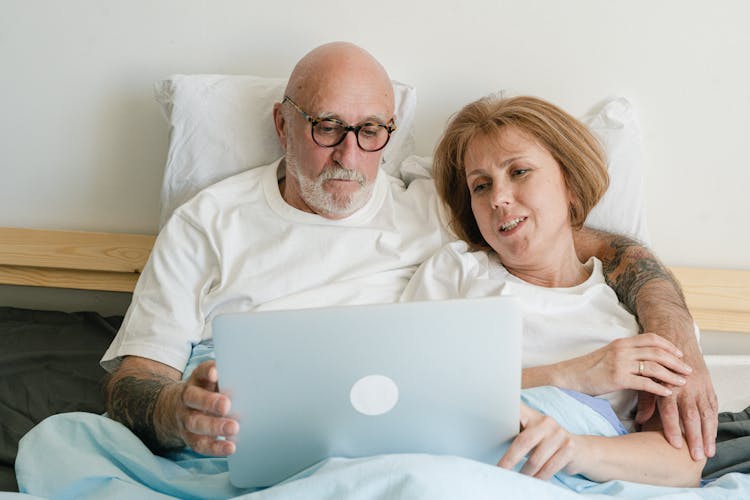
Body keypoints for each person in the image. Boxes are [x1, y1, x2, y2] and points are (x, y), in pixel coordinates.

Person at [100, 42, 715, 465]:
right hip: (238, 419)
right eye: (325, 127)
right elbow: (136, 377)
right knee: (63, 443)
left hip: (375, 415)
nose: (348, 155)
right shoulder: (205, 222)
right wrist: (176, 412)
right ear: (282, 125)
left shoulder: (438, 208)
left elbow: (581, 241)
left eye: (370, 132)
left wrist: (675, 336)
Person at [400, 94, 707, 484]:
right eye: (480, 186)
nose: (499, 198)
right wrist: (571, 375)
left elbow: (685, 463)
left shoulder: (636, 316)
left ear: (571, 186)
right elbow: (409, 397)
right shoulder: (454, 273)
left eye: (519, 172)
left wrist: (575, 449)